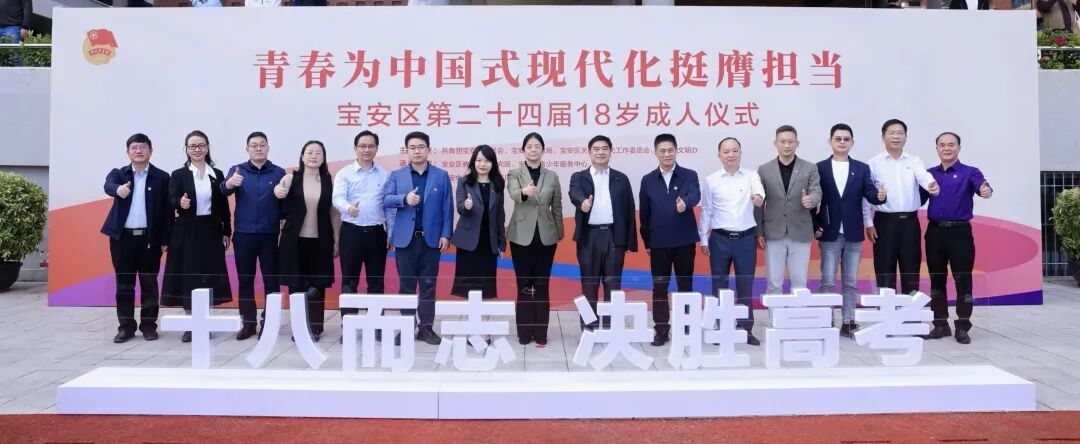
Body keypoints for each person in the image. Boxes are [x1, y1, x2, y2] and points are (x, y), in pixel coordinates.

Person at [814, 123, 886, 338]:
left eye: (846, 139)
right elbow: (813, 199)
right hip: (829, 232)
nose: (842, 142)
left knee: (851, 282)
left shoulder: (862, 168)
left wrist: (879, 196)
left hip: (853, 233)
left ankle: (848, 321)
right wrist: (815, 225)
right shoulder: (819, 168)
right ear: (830, 142)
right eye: (838, 139)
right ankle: (826, 321)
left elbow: (870, 194)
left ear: (852, 143)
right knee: (827, 281)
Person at [161, 130, 233, 343]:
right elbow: (170, 199)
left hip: (211, 231)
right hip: (186, 232)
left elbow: (223, 206)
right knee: (189, 278)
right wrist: (179, 203)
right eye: (192, 146)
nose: (197, 149)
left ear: (207, 148)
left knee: (208, 276)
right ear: (186, 150)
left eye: (201, 145)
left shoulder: (217, 174)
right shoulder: (178, 174)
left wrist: (227, 231)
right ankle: (191, 324)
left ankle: (205, 322)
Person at [100, 133, 173, 343]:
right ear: (128, 152)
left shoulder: (162, 177)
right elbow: (108, 185)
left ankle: (149, 326)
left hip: (150, 239)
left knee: (149, 283)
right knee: (124, 284)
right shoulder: (119, 174)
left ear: (151, 151)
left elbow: (168, 212)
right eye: (134, 147)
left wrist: (166, 239)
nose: (138, 150)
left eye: (142, 147)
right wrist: (118, 189)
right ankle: (126, 327)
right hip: (122, 239)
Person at [384, 131, 453, 346]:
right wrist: (405, 199)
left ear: (428, 150)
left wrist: (446, 234)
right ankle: (406, 328)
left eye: (421, 147)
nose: (417, 151)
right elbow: (386, 200)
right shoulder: (397, 175)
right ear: (407, 151)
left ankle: (426, 328)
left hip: (431, 240)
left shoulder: (441, 175)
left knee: (428, 285)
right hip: (405, 240)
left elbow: (447, 207)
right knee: (406, 285)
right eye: (412, 147)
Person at [924, 132, 992, 344]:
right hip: (935, 232)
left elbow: (982, 186)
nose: (947, 148)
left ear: (959, 148)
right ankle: (940, 324)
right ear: (937, 149)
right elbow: (915, 196)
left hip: (960, 233)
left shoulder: (970, 172)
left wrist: (985, 190)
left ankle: (962, 326)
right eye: (942, 145)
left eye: (951, 145)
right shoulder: (928, 174)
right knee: (936, 279)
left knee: (963, 280)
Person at [569, 135, 638, 331]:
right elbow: (574, 193)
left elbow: (629, 210)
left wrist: (630, 242)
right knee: (588, 286)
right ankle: (588, 329)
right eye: (596, 149)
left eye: (605, 148)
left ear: (610, 151)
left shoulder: (621, 178)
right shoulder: (579, 177)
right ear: (589, 152)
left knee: (613, 286)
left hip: (614, 237)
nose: (600, 152)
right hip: (589, 237)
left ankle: (610, 330)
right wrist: (582, 203)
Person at [700, 137, 765, 345]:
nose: (731, 155)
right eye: (726, 151)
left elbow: (759, 193)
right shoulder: (711, 180)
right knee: (719, 284)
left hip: (745, 239)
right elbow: (707, 211)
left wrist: (758, 198)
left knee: (745, 283)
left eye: (735, 151)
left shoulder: (751, 176)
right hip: (719, 239)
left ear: (740, 153)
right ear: (719, 155)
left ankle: (746, 329)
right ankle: (720, 328)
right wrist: (703, 239)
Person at [863, 119, 939, 296]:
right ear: (883, 137)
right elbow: (866, 195)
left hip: (909, 223)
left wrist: (931, 185)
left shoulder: (915, 160)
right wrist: (868, 222)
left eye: (900, 133)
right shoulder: (873, 163)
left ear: (906, 137)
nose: (896, 136)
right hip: (884, 222)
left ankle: (910, 311)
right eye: (892, 133)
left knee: (911, 269)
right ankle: (886, 310)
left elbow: (923, 176)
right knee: (884, 269)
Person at [222, 131, 286, 340]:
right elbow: (223, 191)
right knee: (245, 280)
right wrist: (229, 183)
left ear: (268, 148)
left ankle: (269, 323)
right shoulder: (237, 170)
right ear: (247, 149)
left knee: (271, 282)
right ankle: (248, 323)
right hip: (244, 235)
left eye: (262, 145)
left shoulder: (278, 172)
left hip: (269, 235)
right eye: (254, 145)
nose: (258, 148)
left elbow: (285, 206)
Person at [638, 133, 700, 346]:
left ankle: (686, 329)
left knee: (685, 286)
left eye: (670, 150)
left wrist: (685, 204)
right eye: (662, 151)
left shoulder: (689, 175)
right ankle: (661, 330)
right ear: (655, 153)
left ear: (676, 151)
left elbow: (695, 194)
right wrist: (647, 242)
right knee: (659, 288)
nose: (667, 154)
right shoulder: (648, 180)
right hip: (658, 245)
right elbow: (644, 214)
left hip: (684, 242)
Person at [274, 141, 338, 342]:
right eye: (310, 152)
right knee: (296, 286)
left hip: (321, 240)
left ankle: (316, 327)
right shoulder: (291, 178)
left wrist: (337, 238)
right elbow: (279, 191)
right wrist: (278, 190)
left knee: (318, 285)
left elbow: (334, 212)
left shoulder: (329, 180)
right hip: (294, 241)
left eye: (318, 153)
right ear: (302, 156)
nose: (313, 156)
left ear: (323, 158)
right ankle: (299, 329)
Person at [506, 132, 563, 347]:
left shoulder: (552, 176)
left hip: (546, 237)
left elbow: (557, 206)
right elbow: (514, 194)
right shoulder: (514, 173)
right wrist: (524, 191)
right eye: (529, 146)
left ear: (542, 150)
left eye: (536, 146)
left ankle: (540, 333)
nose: (533, 149)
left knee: (541, 284)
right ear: (523, 150)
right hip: (520, 236)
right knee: (523, 285)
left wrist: (558, 231)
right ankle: (523, 333)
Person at [333, 130, 391, 332]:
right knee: (349, 281)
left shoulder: (384, 175)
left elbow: (388, 207)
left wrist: (390, 233)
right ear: (355, 149)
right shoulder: (345, 173)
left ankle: (376, 325)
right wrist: (348, 207)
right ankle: (349, 326)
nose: (367, 150)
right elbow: (337, 198)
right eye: (363, 146)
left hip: (376, 234)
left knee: (376, 282)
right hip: (351, 233)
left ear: (376, 148)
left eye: (371, 146)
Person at [755, 125, 822, 296]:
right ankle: (774, 313)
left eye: (790, 141)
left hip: (800, 231)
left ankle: (797, 313)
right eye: (782, 141)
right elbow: (759, 203)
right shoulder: (764, 169)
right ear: (775, 143)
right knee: (774, 281)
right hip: (773, 231)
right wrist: (759, 232)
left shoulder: (809, 168)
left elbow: (816, 191)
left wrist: (811, 200)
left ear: (797, 143)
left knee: (799, 281)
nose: (786, 145)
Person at [451, 145, 507, 300]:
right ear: (473, 162)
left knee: (486, 287)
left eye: (487, 160)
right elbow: (460, 207)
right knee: (466, 287)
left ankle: (485, 314)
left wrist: (502, 244)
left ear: (493, 163)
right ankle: (468, 314)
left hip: (488, 242)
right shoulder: (464, 182)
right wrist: (466, 206)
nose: (482, 164)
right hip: (468, 242)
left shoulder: (498, 184)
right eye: (479, 160)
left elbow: (500, 216)